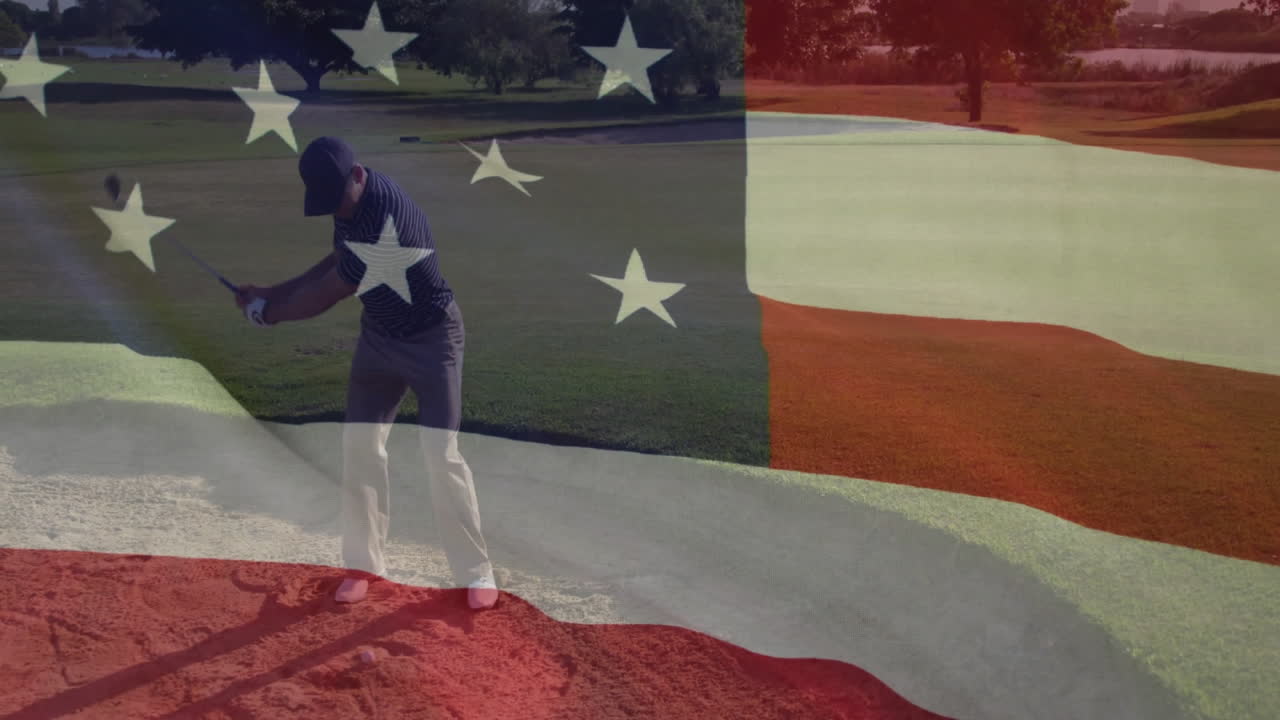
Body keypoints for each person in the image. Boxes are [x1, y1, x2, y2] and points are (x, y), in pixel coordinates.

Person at [235, 136, 498, 610]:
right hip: (379, 339)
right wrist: (272, 292)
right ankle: (364, 564)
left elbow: (328, 293)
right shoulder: (350, 205)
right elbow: (335, 260)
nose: (334, 210)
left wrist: (267, 314)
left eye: (336, 199)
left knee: (440, 453)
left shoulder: (386, 218)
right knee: (359, 446)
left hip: (432, 339)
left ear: (358, 175)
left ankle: (475, 571)